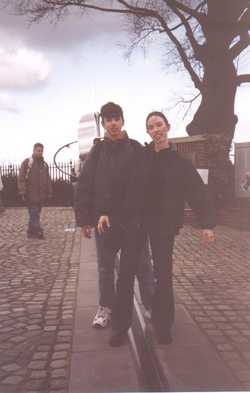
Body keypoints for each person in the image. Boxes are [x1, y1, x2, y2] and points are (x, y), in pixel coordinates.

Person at [75, 102, 148, 346]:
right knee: (106, 269)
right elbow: (85, 185)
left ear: (123, 121)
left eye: (117, 118)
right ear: (104, 124)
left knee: (140, 267)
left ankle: (150, 305)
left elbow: (145, 185)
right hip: (103, 222)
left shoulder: (137, 149)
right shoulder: (97, 152)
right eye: (109, 119)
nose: (113, 123)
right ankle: (106, 308)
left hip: (131, 221)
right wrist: (84, 219)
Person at [145, 111, 216, 344]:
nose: (156, 130)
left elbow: (197, 191)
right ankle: (143, 311)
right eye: (151, 127)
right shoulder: (142, 158)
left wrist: (207, 224)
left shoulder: (180, 163)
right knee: (136, 271)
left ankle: (163, 323)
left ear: (167, 126)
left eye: (159, 125)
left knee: (163, 274)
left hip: (163, 226)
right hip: (138, 223)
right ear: (148, 132)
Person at [18, 143, 53, 239]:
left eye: (41, 151)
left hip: (41, 196)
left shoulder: (45, 165)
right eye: (38, 150)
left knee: (35, 213)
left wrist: (49, 192)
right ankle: (38, 232)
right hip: (30, 195)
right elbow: (21, 178)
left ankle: (30, 232)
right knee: (34, 213)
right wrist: (22, 192)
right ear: (33, 150)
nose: (40, 152)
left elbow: (48, 179)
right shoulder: (27, 162)